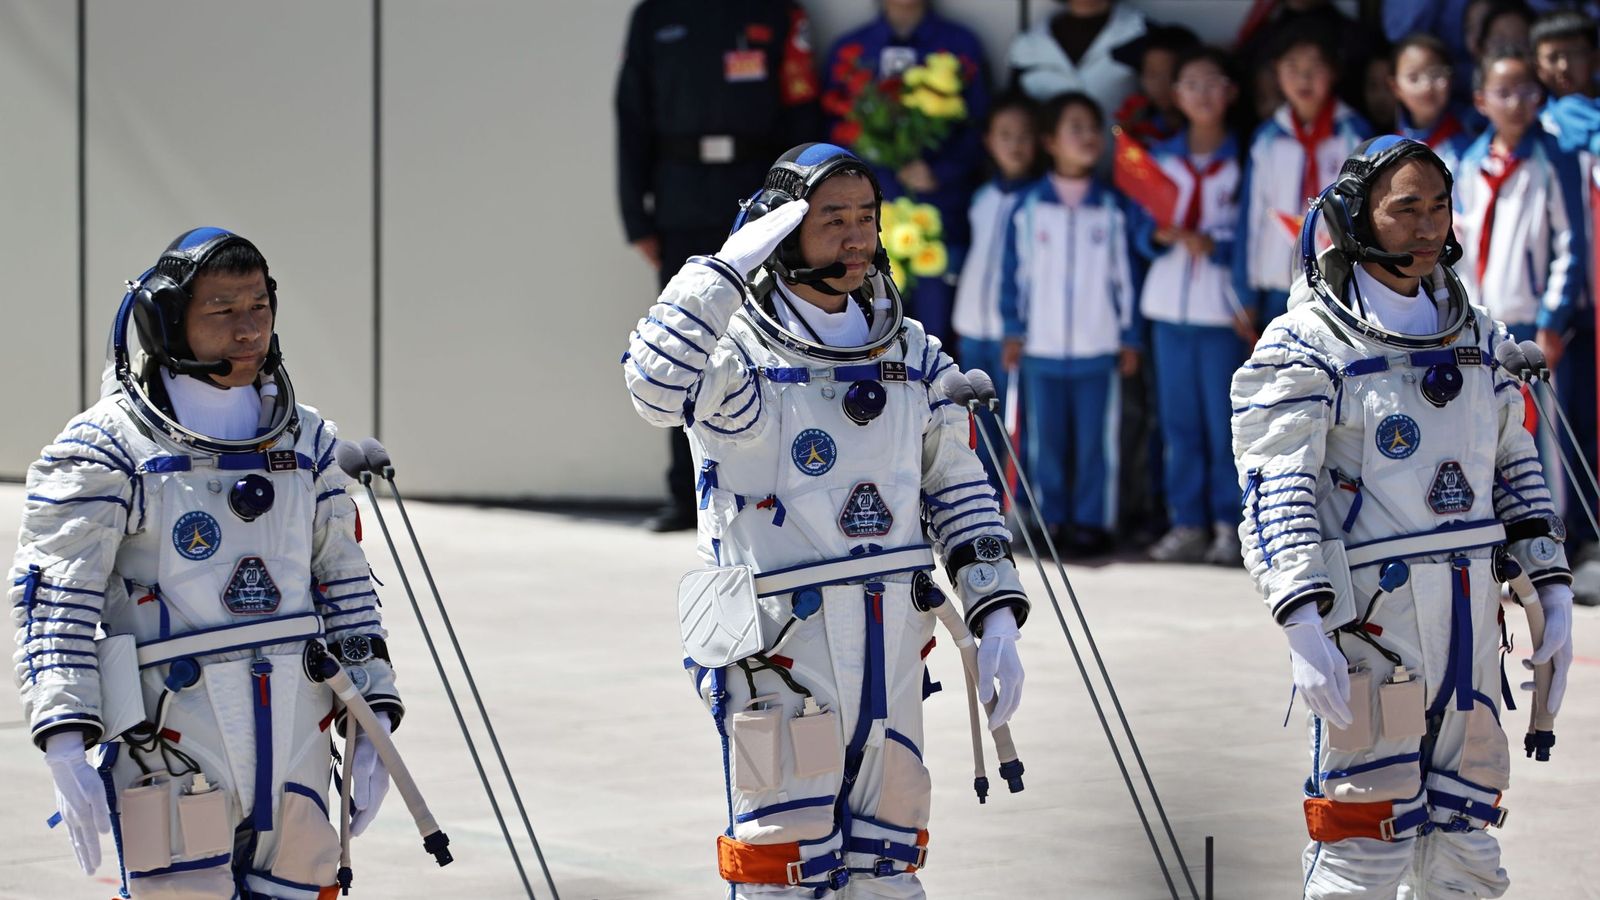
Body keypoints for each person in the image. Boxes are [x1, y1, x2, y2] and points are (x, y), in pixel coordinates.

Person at [622, 143, 1029, 897]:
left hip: (893, 644)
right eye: (830, 219)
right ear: (781, 232)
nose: (854, 237)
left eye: (866, 219)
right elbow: (651, 384)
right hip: (781, 653)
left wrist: (994, 609)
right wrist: (723, 269)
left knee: (889, 855)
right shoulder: (739, 355)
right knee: (786, 861)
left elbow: (956, 485)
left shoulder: (908, 351)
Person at [10, 228, 404, 897]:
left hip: (298, 746)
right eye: (222, 311)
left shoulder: (307, 441)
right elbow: (56, 599)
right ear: (166, 323)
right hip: (172, 748)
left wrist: (375, 720)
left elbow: (344, 584)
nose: (247, 328)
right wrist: (63, 735)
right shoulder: (108, 448)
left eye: (259, 306)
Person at [1231, 136, 1575, 897]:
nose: (1426, 228)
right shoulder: (1306, 343)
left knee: (1466, 841)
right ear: (1355, 218)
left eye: (1438, 207)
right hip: (1370, 633)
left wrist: (1547, 580)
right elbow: (1276, 485)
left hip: (1469, 628)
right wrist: (1299, 618)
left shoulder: (1477, 333)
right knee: (1363, 845)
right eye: (1404, 209)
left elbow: (1513, 461)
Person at [615, 0, 823, 532]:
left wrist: (798, 205)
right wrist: (635, 216)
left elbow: (801, 109)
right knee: (687, 338)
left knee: (769, 337)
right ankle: (686, 495)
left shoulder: (776, 13)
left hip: (758, 196)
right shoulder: (656, 15)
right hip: (680, 195)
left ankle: (777, 485)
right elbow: (631, 112)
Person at [1000, 92, 1138, 557]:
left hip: (1098, 347)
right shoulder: (1028, 208)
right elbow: (1013, 275)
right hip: (1040, 347)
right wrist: (1013, 329)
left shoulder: (1112, 209)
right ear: (1050, 141)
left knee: (1097, 441)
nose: (1088, 137)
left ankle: (1092, 522)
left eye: (1093, 127)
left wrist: (1128, 336)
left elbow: (1124, 279)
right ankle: (1051, 519)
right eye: (1075, 127)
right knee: (1045, 443)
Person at [1134, 46, 1248, 566]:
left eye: (1212, 82)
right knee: (1177, 422)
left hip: (1220, 310)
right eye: (1191, 84)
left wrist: (1217, 246)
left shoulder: (1243, 161)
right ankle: (1186, 521)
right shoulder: (1160, 160)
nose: (1202, 94)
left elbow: (1252, 236)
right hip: (1168, 306)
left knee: (1222, 419)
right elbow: (1138, 230)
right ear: (1176, 96)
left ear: (1230, 92)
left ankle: (1230, 521)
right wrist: (1157, 235)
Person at [821, 0, 991, 343]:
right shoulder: (852, 49)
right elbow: (829, 131)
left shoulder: (959, 45)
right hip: (866, 222)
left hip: (937, 217)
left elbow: (982, 127)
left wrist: (939, 171)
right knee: (869, 335)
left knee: (934, 337)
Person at [1234, 24, 1372, 327]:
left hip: (1337, 284)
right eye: (1292, 68)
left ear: (1334, 72)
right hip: (1277, 282)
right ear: (1276, 73)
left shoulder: (1354, 135)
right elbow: (1251, 216)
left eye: (1315, 68)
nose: (1304, 78)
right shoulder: (1266, 139)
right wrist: (1245, 294)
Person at [1456, 47, 1584, 347]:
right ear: (1481, 101)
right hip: (1478, 320)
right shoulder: (1472, 162)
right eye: (1503, 93)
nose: (1516, 103)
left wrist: (1552, 321)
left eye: (1526, 91)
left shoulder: (1554, 157)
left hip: (1533, 321)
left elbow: (1570, 241)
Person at [951, 91, 1038, 492]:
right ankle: (977, 500)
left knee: (1013, 422)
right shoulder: (981, 197)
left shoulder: (1039, 198)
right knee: (974, 422)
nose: (1015, 145)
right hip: (971, 323)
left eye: (1024, 135)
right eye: (1005, 134)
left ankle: (1013, 505)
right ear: (989, 140)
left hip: (1016, 335)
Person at [1389, 33, 1477, 173]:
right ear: (1396, 87)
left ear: (1451, 78)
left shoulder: (1471, 146)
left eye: (1436, 74)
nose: (1427, 86)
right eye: (1414, 77)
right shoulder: (1388, 151)